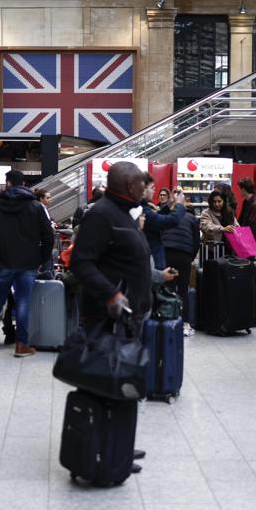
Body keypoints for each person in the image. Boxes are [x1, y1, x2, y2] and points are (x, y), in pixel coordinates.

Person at [70, 161, 152, 475]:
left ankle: (118, 443)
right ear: (128, 186)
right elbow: (81, 263)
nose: (146, 187)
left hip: (130, 315)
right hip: (109, 316)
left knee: (121, 383)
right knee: (108, 382)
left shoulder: (122, 213)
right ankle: (105, 445)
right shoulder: (101, 215)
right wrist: (111, 293)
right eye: (141, 183)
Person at [0, 170, 54, 356]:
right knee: (23, 302)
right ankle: (22, 345)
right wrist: (42, 257)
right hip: (29, 262)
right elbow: (48, 235)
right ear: (24, 183)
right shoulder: (35, 206)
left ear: (8, 183)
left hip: (4, 261)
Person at [160, 187, 201, 336]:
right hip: (184, 256)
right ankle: (185, 324)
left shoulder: (168, 216)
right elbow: (197, 242)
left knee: (168, 288)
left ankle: (168, 321)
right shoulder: (191, 218)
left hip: (168, 254)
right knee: (183, 289)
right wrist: (190, 257)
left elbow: (161, 235)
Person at [141, 174, 186, 270]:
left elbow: (156, 218)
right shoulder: (142, 210)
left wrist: (170, 202)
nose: (154, 191)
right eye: (152, 188)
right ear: (143, 189)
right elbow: (171, 220)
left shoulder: (142, 207)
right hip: (151, 264)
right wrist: (179, 204)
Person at [237, 177, 256, 261]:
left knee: (252, 270)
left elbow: (255, 228)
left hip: (254, 246)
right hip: (248, 243)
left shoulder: (255, 205)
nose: (239, 191)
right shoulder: (246, 202)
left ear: (243, 189)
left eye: (240, 189)